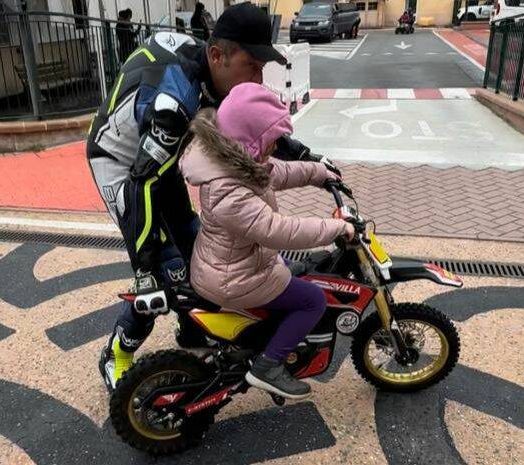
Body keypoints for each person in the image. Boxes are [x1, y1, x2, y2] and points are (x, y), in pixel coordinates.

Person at [88, 2, 342, 393]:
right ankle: (117, 353)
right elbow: (142, 184)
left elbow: (255, 132)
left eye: (262, 66)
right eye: (252, 65)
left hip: (158, 159)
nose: (258, 77)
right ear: (217, 55)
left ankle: (192, 334)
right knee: (164, 266)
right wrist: (144, 269)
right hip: (121, 163)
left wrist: (307, 157)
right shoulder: (174, 102)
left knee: (195, 247)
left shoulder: (218, 76)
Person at [180, 83, 355, 399]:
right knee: (313, 300)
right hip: (233, 278)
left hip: (233, 263)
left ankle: (268, 335)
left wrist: (319, 172)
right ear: (250, 142)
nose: (276, 147)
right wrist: (335, 228)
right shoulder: (228, 190)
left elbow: (280, 173)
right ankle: (267, 367)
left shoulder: (233, 163)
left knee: (295, 270)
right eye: (271, 141)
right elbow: (278, 230)